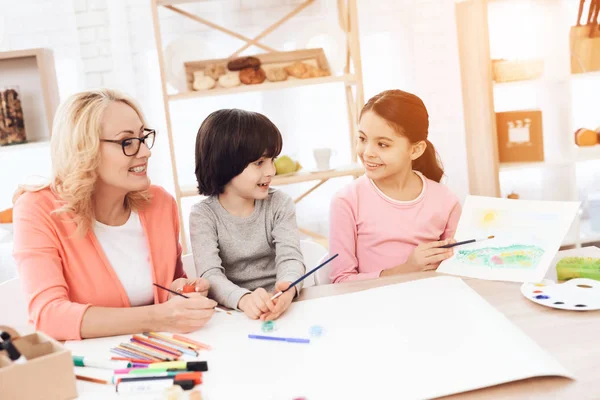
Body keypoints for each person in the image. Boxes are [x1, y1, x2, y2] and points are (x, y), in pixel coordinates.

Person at [12, 89, 216, 341]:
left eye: (143, 137)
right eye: (126, 142)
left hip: (163, 353)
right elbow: (48, 315)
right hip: (91, 366)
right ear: (83, 149)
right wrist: (160, 316)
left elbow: (169, 284)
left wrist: (183, 292)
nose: (145, 152)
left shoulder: (160, 204)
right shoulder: (37, 209)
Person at [329, 89, 462, 283]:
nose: (367, 152)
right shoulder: (347, 201)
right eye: (362, 139)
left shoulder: (446, 201)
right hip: (373, 306)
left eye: (382, 144)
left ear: (415, 149)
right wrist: (407, 269)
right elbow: (340, 281)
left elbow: (457, 271)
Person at [190, 109, 305, 321]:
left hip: (282, 307)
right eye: (260, 162)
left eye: (273, 159)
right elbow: (210, 275)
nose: (271, 170)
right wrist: (244, 299)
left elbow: (291, 259)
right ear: (226, 164)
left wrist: (287, 289)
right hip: (234, 313)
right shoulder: (203, 215)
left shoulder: (280, 204)